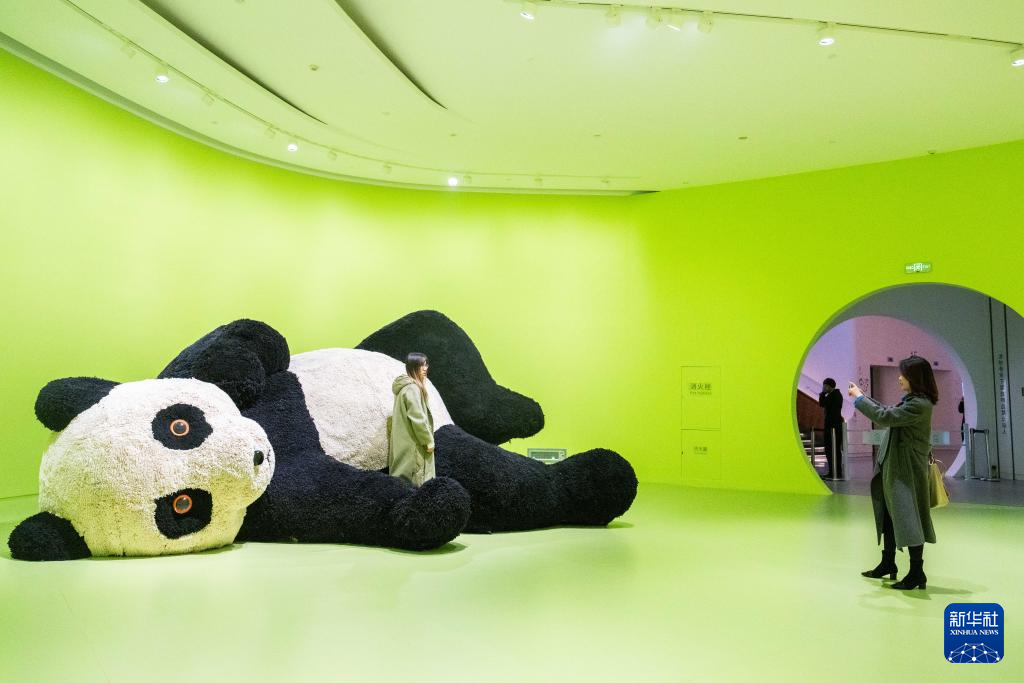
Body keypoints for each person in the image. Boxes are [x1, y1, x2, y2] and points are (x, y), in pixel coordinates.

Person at [848, 356, 938, 590]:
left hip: (906, 470)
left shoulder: (919, 405)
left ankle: (917, 572)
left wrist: (859, 399)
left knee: (909, 517)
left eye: (903, 374)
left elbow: (884, 416)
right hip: (896, 467)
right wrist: (863, 397)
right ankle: (888, 562)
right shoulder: (912, 401)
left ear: (915, 378)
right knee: (889, 515)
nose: (899, 378)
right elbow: (887, 411)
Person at [388, 352, 436, 487]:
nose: (425, 368)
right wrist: (428, 441)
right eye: (421, 365)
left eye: (426, 365)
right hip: (415, 445)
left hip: (406, 444)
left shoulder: (405, 388)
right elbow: (417, 418)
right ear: (413, 367)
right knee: (417, 486)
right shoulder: (412, 389)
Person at [818, 378, 844, 478]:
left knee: (833, 450)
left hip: (833, 426)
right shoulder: (834, 395)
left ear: (830, 386)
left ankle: (835, 472)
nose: (824, 388)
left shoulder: (835, 395)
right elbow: (822, 404)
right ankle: (834, 471)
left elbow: (822, 403)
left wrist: (822, 394)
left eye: (825, 386)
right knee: (831, 450)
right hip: (833, 426)